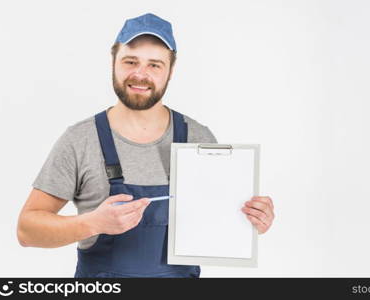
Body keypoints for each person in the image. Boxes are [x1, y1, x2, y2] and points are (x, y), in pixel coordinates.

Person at [16, 13, 275, 278]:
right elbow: (27, 230)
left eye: (155, 65)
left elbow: (217, 225)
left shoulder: (198, 139)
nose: (141, 74)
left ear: (171, 71)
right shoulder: (80, 139)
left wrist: (251, 222)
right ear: (113, 62)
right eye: (131, 61)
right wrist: (91, 223)